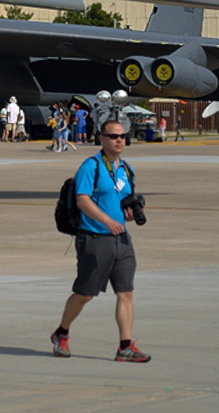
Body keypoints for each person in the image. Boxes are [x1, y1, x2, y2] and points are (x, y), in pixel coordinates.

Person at [50, 120, 150, 363]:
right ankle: (61, 332)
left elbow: (123, 199)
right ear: (102, 139)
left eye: (123, 136)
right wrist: (107, 221)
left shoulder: (127, 169)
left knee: (125, 292)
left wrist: (128, 211)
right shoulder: (90, 167)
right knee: (85, 293)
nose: (119, 140)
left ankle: (125, 346)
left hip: (122, 240)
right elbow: (83, 200)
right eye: (113, 136)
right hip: (94, 238)